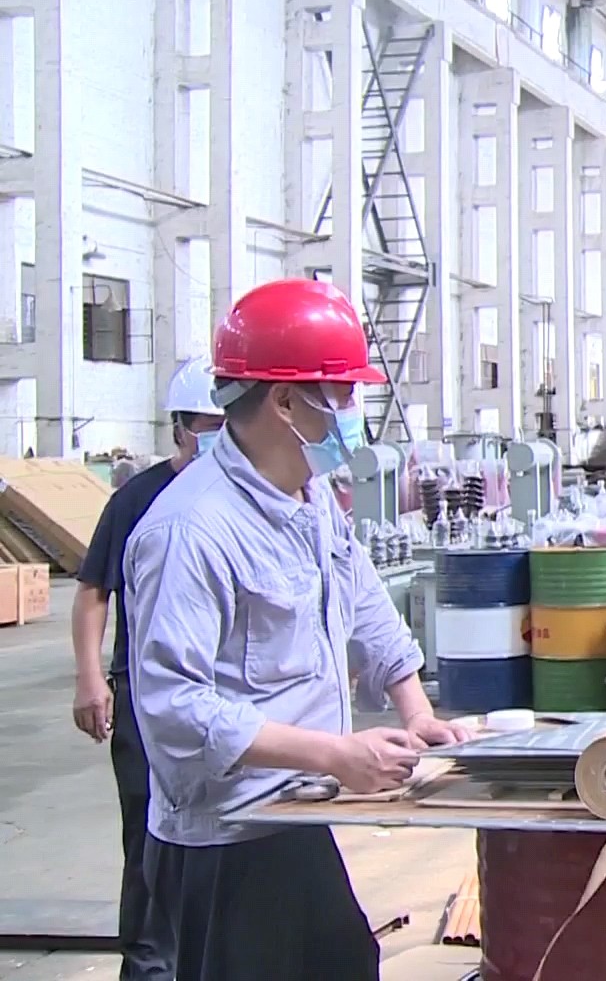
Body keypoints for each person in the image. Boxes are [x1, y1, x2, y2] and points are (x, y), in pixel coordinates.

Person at [123, 279, 472, 981]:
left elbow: (363, 598)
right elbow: (174, 709)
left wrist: (415, 709)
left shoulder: (308, 499)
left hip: (297, 812)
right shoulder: (192, 530)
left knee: (348, 963)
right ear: (284, 402)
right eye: (340, 395)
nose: (352, 414)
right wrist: (334, 754)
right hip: (226, 839)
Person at [72, 356, 226, 981]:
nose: (218, 437)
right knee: (148, 833)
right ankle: (148, 964)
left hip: (225, 695)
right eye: (207, 426)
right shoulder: (138, 499)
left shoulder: (247, 499)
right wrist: (90, 678)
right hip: (145, 695)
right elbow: (92, 591)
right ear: (179, 428)